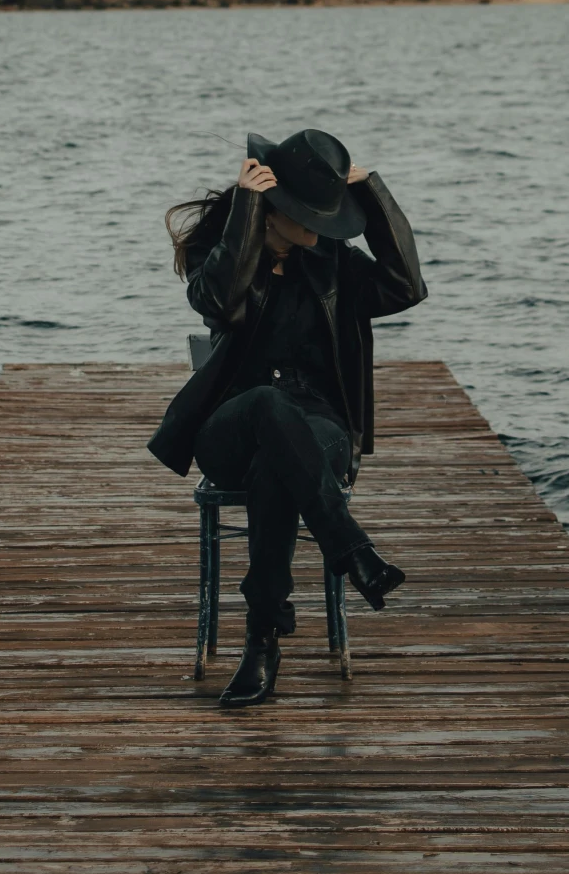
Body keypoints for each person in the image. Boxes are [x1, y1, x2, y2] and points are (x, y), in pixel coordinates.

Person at [149, 128, 426, 709]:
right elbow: (220, 301)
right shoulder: (217, 258)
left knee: (281, 464)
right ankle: (352, 550)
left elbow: (407, 286)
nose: (325, 227)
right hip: (232, 425)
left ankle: (262, 642)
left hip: (319, 428)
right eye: (311, 215)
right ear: (277, 211)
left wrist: (373, 194)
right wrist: (247, 209)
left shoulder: (331, 264)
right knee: (271, 409)